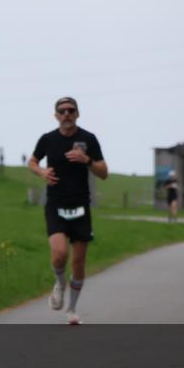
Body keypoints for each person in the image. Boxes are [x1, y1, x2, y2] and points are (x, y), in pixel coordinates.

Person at [28, 96, 108, 325]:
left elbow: (103, 172)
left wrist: (87, 160)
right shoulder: (47, 139)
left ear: (77, 114)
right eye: (61, 111)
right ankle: (59, 283)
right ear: (55, 115)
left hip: (81, 205)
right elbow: (32, 162)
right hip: (56, 204)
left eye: (70, 110)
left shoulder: (88, 138)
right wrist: (41, 172)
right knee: (60, 254)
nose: (66, 114)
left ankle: (72, 310)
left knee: (79, 262)